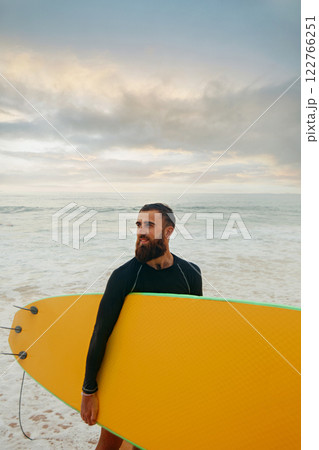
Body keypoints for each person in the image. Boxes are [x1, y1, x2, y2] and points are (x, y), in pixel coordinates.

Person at [81, 203, 202, 450]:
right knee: (108, 446)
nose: (141, 231)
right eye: (138, 225)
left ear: (168, 232)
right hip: (126, 374)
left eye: (149, 225)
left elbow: (193, 333)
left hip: (166, 377)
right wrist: (88, 391)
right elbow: (100, 334)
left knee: (146, 443)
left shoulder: (190, 274)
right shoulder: (124, 276)